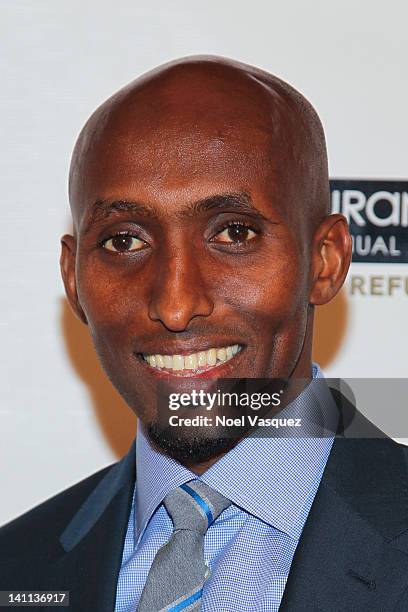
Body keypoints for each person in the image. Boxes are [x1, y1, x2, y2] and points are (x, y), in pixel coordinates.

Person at [1, 55, 408, 612]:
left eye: (234, 233)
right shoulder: (17, 567)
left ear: (325, 261)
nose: (175, 303)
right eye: (124, 242)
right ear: (73, 280)